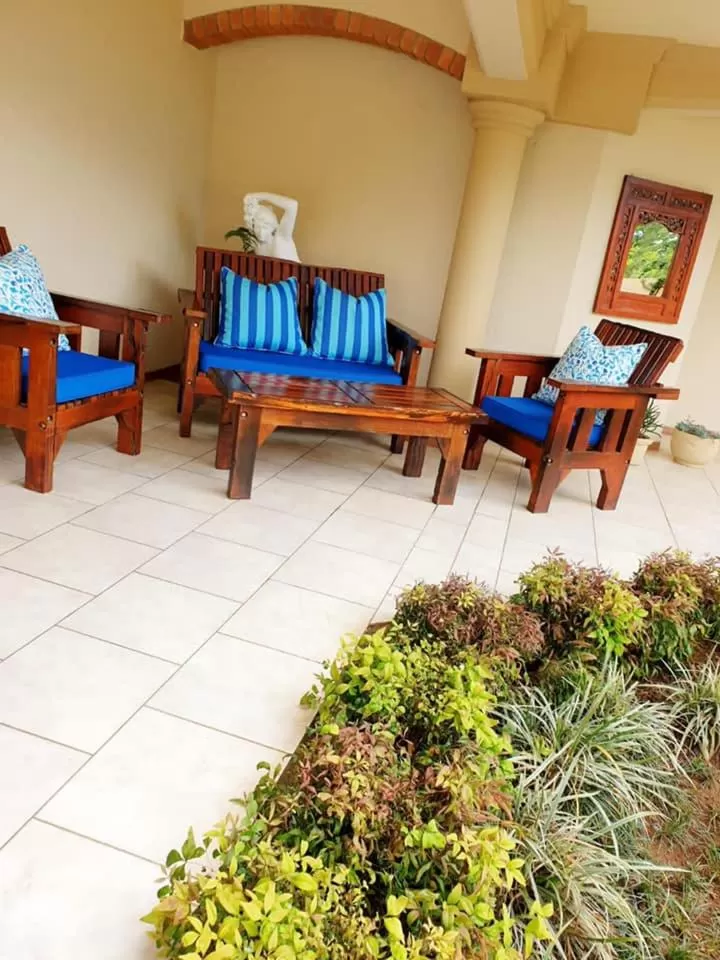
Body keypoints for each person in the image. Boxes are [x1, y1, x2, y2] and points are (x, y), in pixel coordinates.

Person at [243, 192, 300, 262]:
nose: (261, 230)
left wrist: (262, 196)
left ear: (272, 226)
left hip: (295, 272)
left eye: (265, 226)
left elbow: (292, 205)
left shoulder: (281, 236)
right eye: (257, 226)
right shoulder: (257, 245)